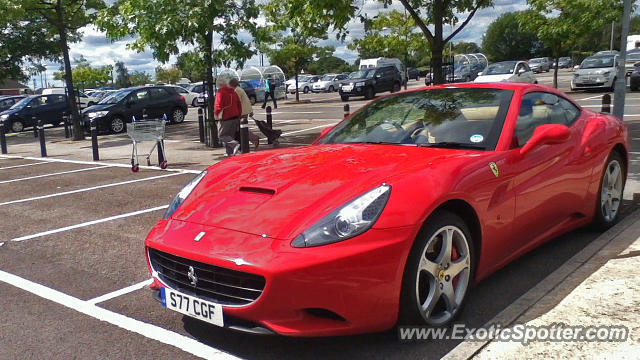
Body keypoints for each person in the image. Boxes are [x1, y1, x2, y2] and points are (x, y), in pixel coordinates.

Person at [214, 79, 243, 156]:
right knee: (230, 135)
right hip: (235, 116)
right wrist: (239, 115)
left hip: (225, 117)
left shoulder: (220, 92)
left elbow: (218, 105)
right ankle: (230, 153)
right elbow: (239, 104)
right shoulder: (233, 92)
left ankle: (234, 144)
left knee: (222, 135)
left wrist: (216, 115)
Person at [229, 78, 260, 150]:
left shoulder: (237, 90)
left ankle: (253, 138)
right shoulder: (240, 89)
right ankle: (251, 140)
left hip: (242, 112)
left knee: (241, 128)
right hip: (244, 111)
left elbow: (236, 102)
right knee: (241, 128)